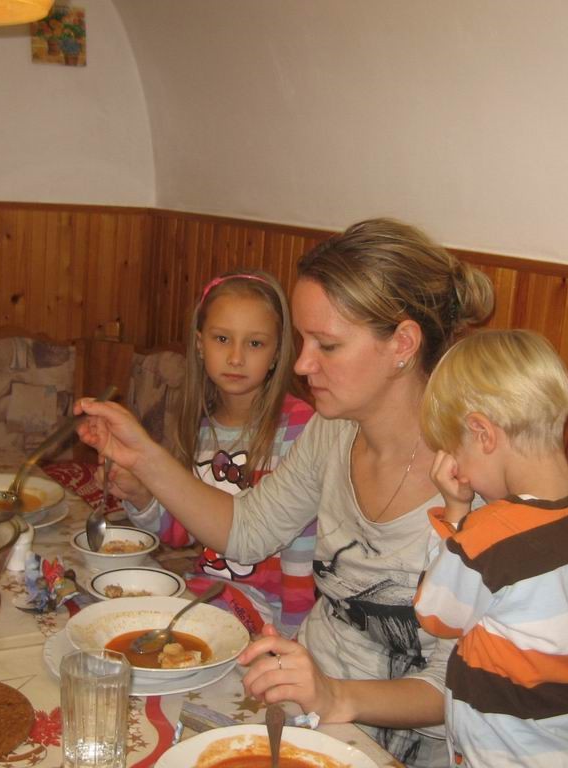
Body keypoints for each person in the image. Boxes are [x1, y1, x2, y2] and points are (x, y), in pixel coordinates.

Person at [76, 218, 495, 768]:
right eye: (302, 340)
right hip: (303, 708)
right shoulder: (334, 430)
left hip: (395, 746)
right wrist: (145, 459)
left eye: (327, 345)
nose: (301, 364)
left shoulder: (478, 480)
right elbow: (248, 531)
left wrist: (334, 695)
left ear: (402, 344)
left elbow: (460, 685)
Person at [414, 329, 568, 767]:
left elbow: (435, 613)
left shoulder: (492, 535)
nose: (462, 474)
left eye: (457, 454)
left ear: (482, 433)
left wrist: (456, 512)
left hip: (504, 755)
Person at [112, 269, 316, 636]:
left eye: (255, 344)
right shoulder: (199, 425)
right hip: (210, 588)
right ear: (199, 344)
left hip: (271, 606)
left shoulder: (299, 428)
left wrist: (294, 635)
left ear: (277, 353)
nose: (236, 357)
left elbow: (303, 549)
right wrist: (141, 495)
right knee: (123, 602)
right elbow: (182, 531)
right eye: (222, 339)